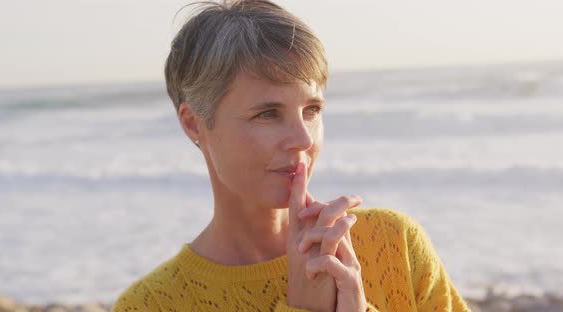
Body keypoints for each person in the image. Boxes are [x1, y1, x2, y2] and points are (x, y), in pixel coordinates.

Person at [113, 0, 469, 311]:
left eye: (312, 110)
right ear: (194, 124)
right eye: (267, 114)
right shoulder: (151, 305)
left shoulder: (395, 244)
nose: (302, 139)